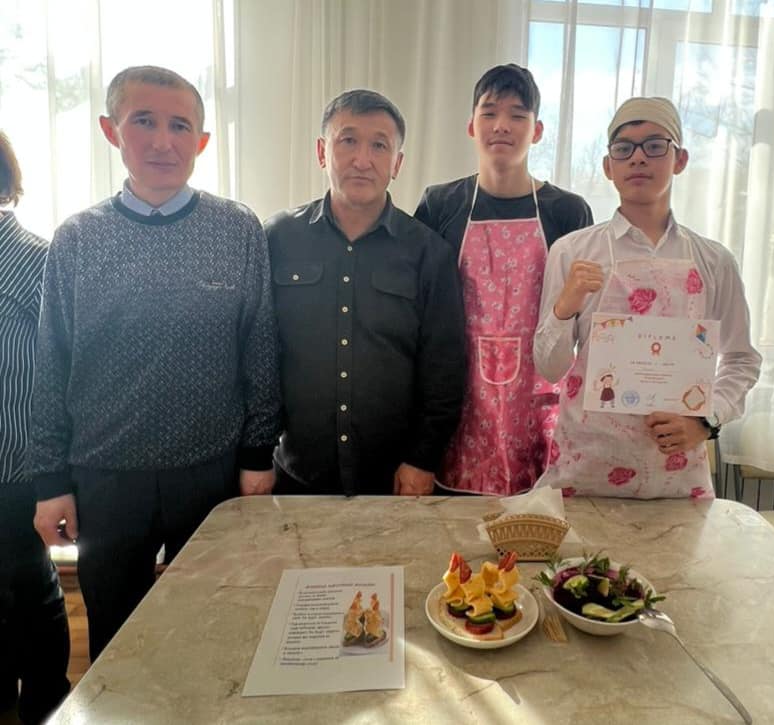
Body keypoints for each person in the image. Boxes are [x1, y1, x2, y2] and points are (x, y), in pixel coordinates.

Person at [27, 66, 281, 660]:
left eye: (180, 126)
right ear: (111, 130)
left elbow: (260, 347)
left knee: (217, 625)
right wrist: (50, 482)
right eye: (144, 121)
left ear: (202, 141)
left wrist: (256, 456)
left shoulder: (237, 229)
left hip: (211, 472)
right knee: (117, 638)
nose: (163, 141)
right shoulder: (77, 239)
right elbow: (51, 362)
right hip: (106, 477)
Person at [533, 97, 761, 498]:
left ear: (680, 159)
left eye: (655, 145)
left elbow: (742, 359)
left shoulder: (713, 260)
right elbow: (549, 368)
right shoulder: (572, 252)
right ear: (608, 166)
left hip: (676, 477)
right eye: (624, 148)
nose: (638, 158)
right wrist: (565, 307)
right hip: (585, 469)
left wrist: (705, 421)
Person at [266, 89, 466, 496]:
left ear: (397, 163)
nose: (362, 159)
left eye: (379, 145)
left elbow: (444, 368)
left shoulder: (428, 252)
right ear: (322, 152)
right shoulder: (276, 239)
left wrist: (423, 457)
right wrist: (254, 454)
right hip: (295, 474)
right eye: (348, 140)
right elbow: (258, 354)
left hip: (394, 477)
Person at [414, 64, 593, 496]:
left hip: (540, 404)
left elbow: (587, 326)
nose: (502, 126)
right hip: (458, 403)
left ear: (538, 130)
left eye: (517, 114)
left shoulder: (567, 212)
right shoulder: (440, 205)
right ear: (471, 126)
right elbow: (417, 312)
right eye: (490, 112)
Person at [0, 132, 70, 724]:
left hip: (15, 468)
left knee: (25, 587)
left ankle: (47, 703)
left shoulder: (32, 258)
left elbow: (70, 367)